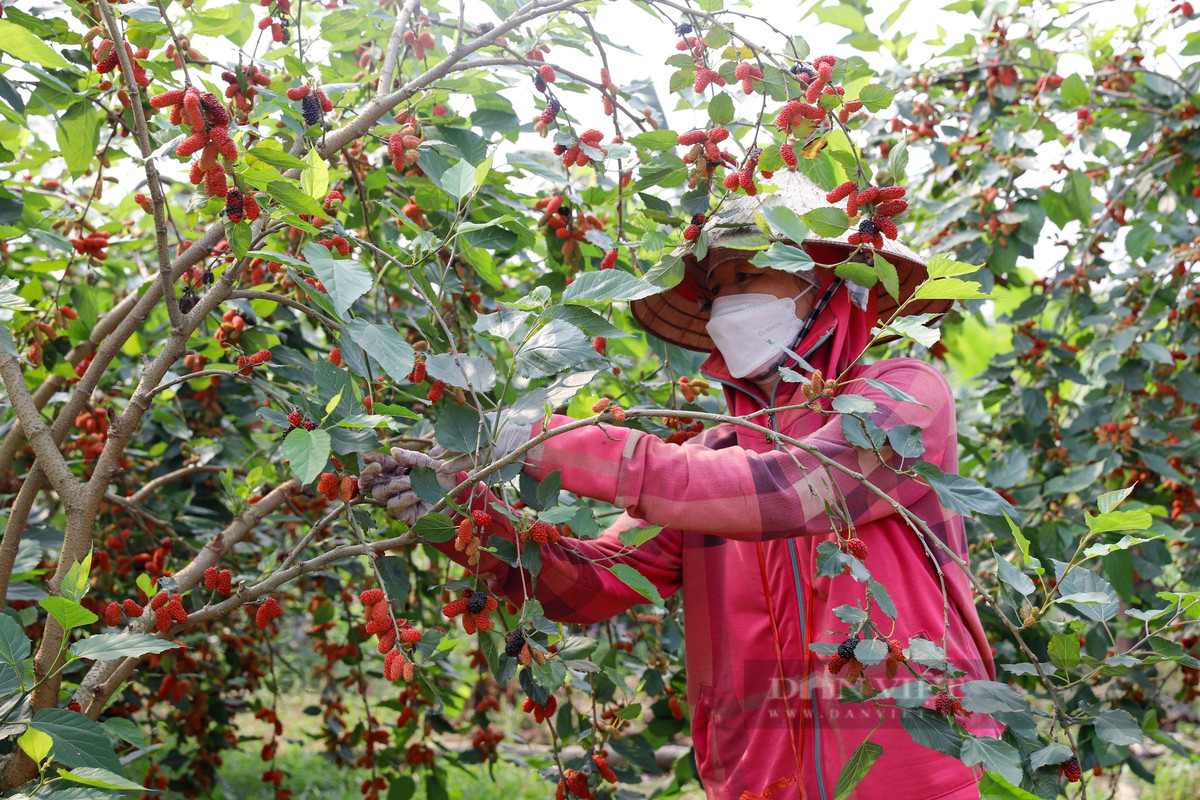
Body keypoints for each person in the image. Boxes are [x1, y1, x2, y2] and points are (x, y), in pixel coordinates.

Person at [361, 171, 1000, 800]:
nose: (725, 307)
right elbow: (591, 584)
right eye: (715, 290)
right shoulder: (711, 457)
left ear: (826, 280)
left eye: (746, 276)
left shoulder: (904, 396)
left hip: (915, 776)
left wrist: (541, 440)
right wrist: (460, 514)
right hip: (757, 783)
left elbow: (789, 492)